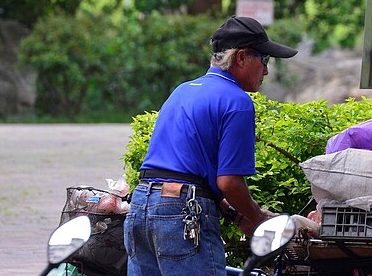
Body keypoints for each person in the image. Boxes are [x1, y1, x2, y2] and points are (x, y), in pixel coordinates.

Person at [124, 16, 298, 276]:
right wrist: (258, 219)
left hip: (140, 207)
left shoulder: (183, 90)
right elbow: (228, 182)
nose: (266, 71)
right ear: (241, 58)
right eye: (264, 60)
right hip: (182, 214)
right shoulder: (237, 101)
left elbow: (184, 171)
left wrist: (238, 215)